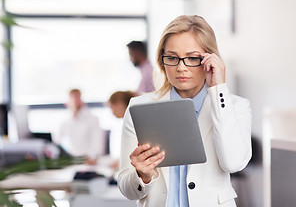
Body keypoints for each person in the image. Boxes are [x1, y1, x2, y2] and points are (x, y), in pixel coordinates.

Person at [118, 15, 252, 207]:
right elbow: (127, 189)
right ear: (162, 60)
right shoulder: (138, 107)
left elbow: (233, 163)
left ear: (209, 59)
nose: (181, 67)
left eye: (192, 58)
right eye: (172, 58)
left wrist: (219, 89)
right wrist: (142, 175)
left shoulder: (235, 106)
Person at [56, 89, 104, 164]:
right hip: (71, 161)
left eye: (78, 98)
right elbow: (57, 142)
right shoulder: (64, 122)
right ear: (67, 103)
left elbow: (97, 145)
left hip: (88, 161)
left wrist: (92, 157)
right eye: (73, 98)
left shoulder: (92, 119)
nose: (76, 101)